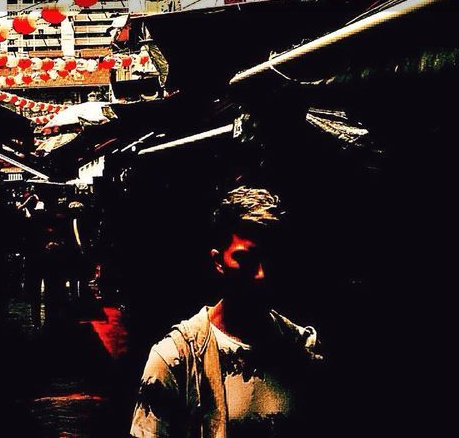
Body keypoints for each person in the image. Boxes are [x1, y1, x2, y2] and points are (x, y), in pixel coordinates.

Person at [131, 187, 323, 438]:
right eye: (245, 259)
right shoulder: (176, 359)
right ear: (218, 261)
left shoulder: (302, 348)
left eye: (271, 258)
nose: (261, 274)